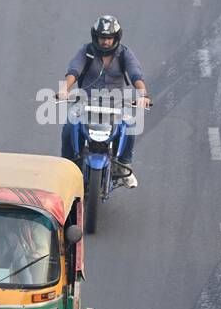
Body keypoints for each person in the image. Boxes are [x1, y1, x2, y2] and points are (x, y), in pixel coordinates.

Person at [58, 15, 151, 186]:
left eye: (109, 38)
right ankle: (67, 165)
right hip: (86, 102)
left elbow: (135, 74)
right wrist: (64, 89)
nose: (105, 42)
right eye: (102, 38)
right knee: (70, 126)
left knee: (130, 125)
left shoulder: (125, 54)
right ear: (96, 37)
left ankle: (123, 165)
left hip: (116, 104)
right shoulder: (86, 51)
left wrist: (143, 95)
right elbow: (74, 70)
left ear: (116, 38)